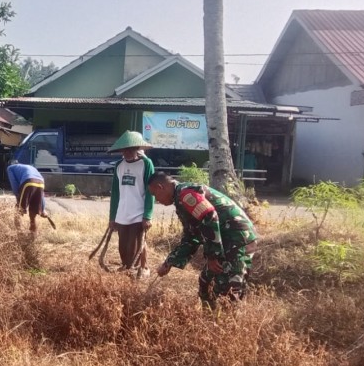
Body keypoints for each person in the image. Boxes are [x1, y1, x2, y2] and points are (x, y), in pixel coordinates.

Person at [148, 171, 258, 304]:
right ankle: (209, 316)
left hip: (237, 239)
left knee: (227, 290)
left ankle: (225, 320)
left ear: (161, 187)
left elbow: (209, 216)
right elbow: (191, 237)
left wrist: (213, 256)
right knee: (205, 282)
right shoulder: (180, 199)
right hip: (226, 240)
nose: (157, 200)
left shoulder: (185, 194)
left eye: (155, 195)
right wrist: (169, 262)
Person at [108, 130, 155, 277]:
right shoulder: (119, 165)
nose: (127, 152)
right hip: (122, 212)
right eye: (125, 149)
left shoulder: (146, 163)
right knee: (123, 246)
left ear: (137, 148)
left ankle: (143, 267)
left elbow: (150, 191)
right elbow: (115, 192)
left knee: (137, 243)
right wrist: (112, 217)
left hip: (138, 212)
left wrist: (147, 215)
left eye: (131, 149)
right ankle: (126, 267)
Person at [7, 162, 47, 232]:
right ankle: (33, 236)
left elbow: (14, 183)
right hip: (41, 183)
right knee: (33, 214)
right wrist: (43, 209)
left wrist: (18, 197)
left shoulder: (10, 168)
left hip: (28, 181)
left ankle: (18, 233)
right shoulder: (30, 168)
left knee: (18, 211)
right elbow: (41, 194)